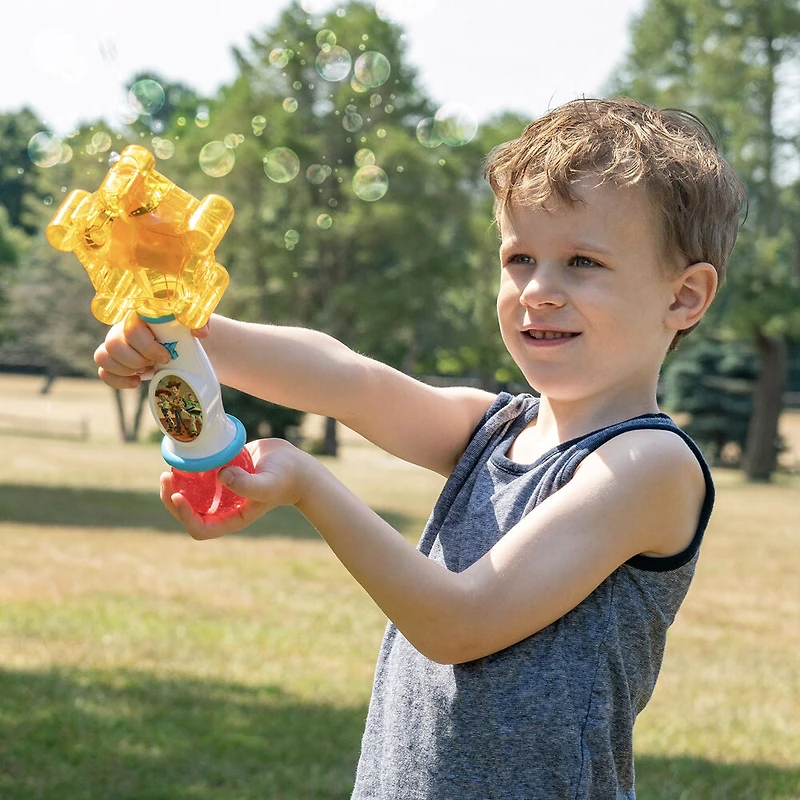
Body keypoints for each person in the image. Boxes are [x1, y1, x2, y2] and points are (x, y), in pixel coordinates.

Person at [94, 97, 746, 799]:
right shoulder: (497, 429)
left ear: (684, 297)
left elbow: (458, 622)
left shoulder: (647, 466)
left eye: (582, 262)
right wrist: (187, 334)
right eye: (519, 257)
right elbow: (349, 379)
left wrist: (310, 488)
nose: (538, 291)